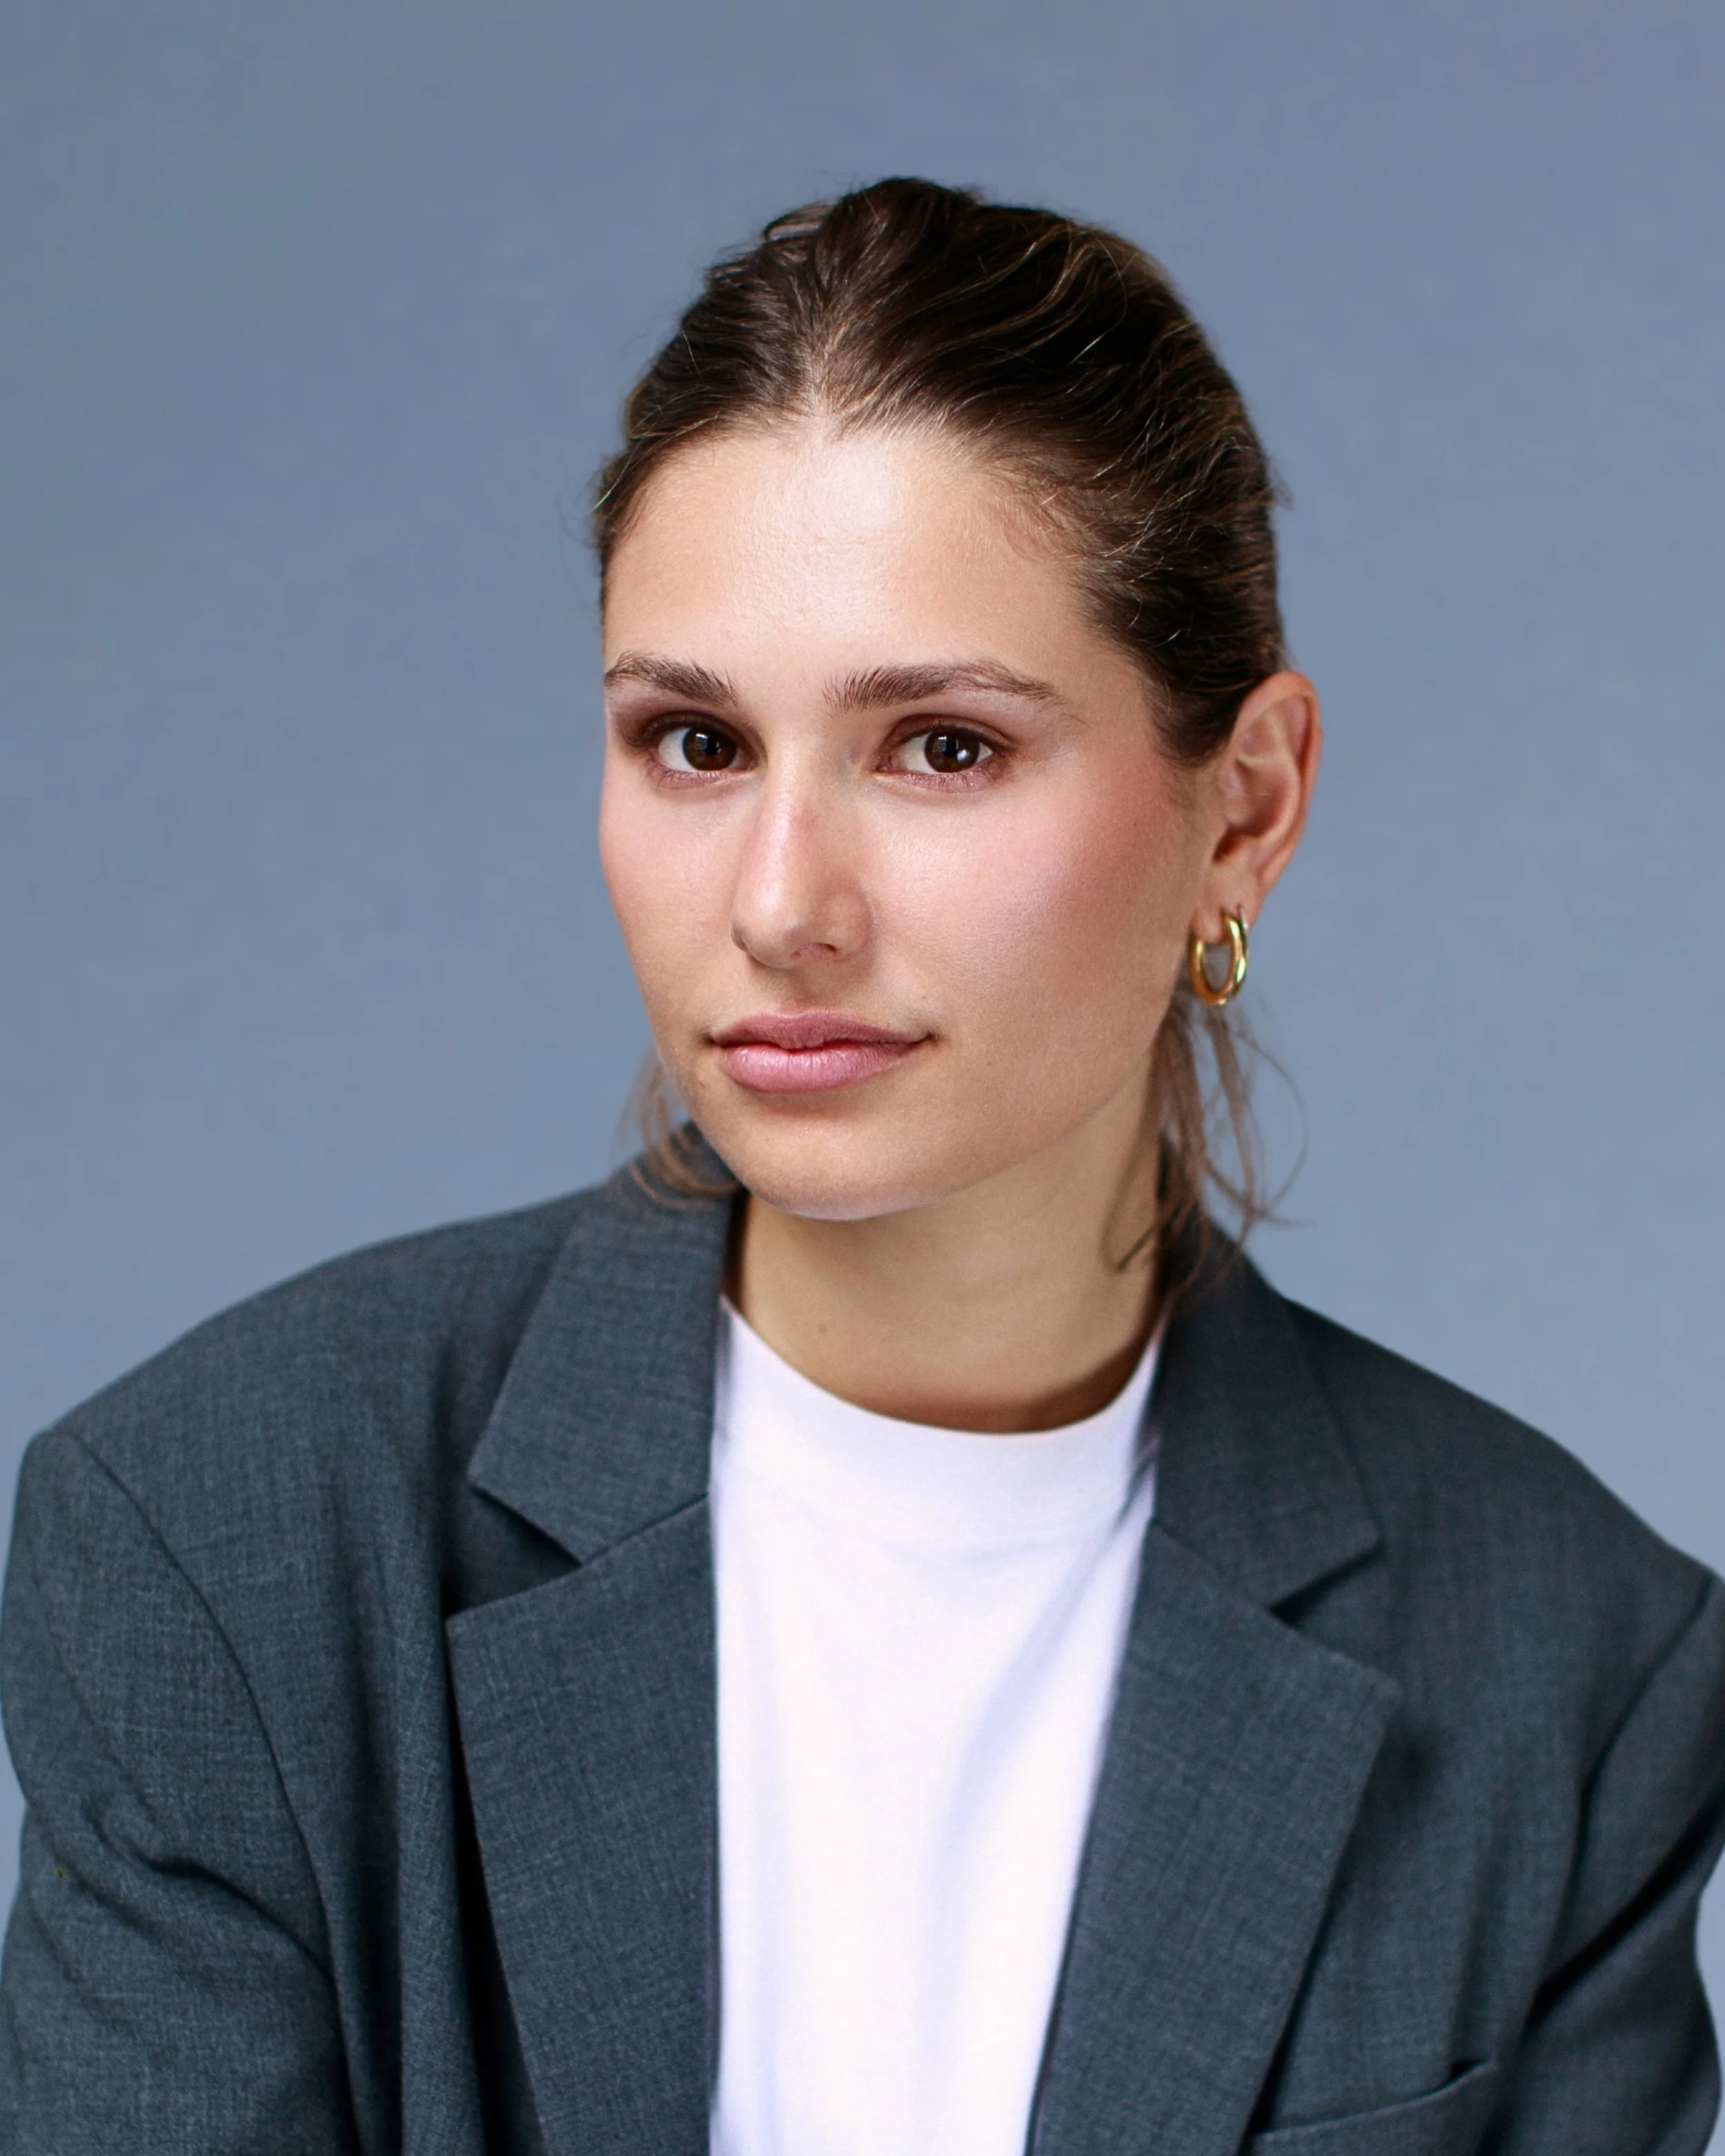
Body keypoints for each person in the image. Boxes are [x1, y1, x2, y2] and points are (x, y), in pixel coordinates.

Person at [2, 177, 1722, 2156]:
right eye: (695, 742)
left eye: (942, 748)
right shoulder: (226, 1538)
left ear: (1241, 809)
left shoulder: (1565, 1667)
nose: (779, 904)